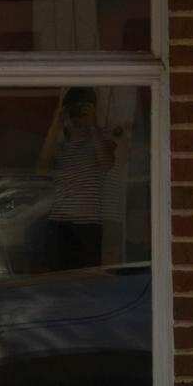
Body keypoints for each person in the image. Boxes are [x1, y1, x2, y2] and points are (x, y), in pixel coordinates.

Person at [36, 87, 127, 272]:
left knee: (87, 281)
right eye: (74, 111)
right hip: (59, 222)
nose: (77, 116)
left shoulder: (102, 138)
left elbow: (106, 162)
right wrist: (55, 124)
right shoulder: (61, 145)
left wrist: (92, 125)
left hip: (88, 224)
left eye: (83, 110)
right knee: (57, 279)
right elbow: (41, 170)